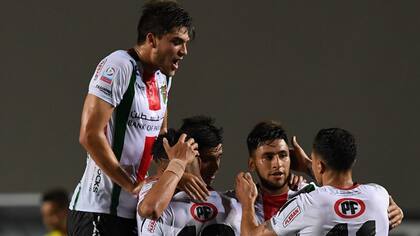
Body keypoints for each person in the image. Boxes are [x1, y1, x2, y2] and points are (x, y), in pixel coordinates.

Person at [67, 1, 195, 235]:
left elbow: (161, 141)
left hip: (134, 213)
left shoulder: (164, 78)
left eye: (186, 44)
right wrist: (131, 185)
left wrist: (176, 176)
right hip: (99, 211)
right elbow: (89, 134)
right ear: (151, 39)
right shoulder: (118, 65)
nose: (184, 51)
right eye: (176, 41)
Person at [236, 127, 402, 235]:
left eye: (282, 155)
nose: (278, 163)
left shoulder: (307, 201)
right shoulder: (380, 195)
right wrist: (311, 165)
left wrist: (247, 202)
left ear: (320, 165)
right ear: (353, 161)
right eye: (269, 157)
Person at [137, 116, 242, 235]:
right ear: (188, 155)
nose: (216, 167)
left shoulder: (230, 199)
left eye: (218, 158)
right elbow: (150, 210)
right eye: (207, 160)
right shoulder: (154, 188)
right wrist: (178, 165)